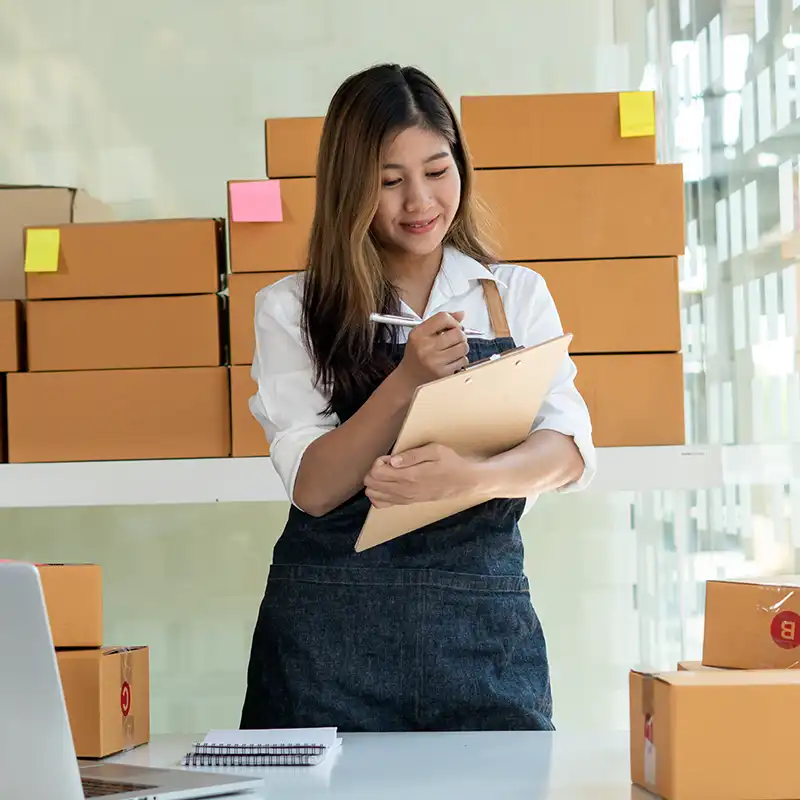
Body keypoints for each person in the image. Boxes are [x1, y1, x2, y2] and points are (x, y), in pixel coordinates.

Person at [240, 63, 596, 733]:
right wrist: (406, 383)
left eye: (437, 172)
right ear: (351, 188)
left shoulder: (511, 296)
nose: (419, 203)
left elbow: (570, 451)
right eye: (390, 182)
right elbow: (314, 487)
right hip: (327, 643)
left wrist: (477, 477)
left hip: (481, 633)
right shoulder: (292, 307)